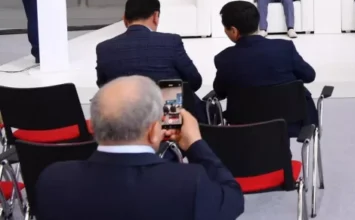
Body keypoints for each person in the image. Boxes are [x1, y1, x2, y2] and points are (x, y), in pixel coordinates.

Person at [35, 76, 244, 220]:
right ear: (154, 130)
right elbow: (233, 198)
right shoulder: (190, 182)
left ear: (94, 127)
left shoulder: (52, 180)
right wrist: (195, 143)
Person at [96, 0, 207, 122]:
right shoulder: (171, 42)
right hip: (170, 122)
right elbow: (194, 81)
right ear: (155, 16)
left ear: (124, 18)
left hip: (125, 122)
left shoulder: (104, 48)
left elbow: (104, 86)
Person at [213, 1, 318, 136]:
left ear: (234, 30)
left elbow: (220, 92)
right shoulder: (284, 48)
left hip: (243, 126)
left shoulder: (224, 58)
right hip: (291, 123)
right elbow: (309, 76)